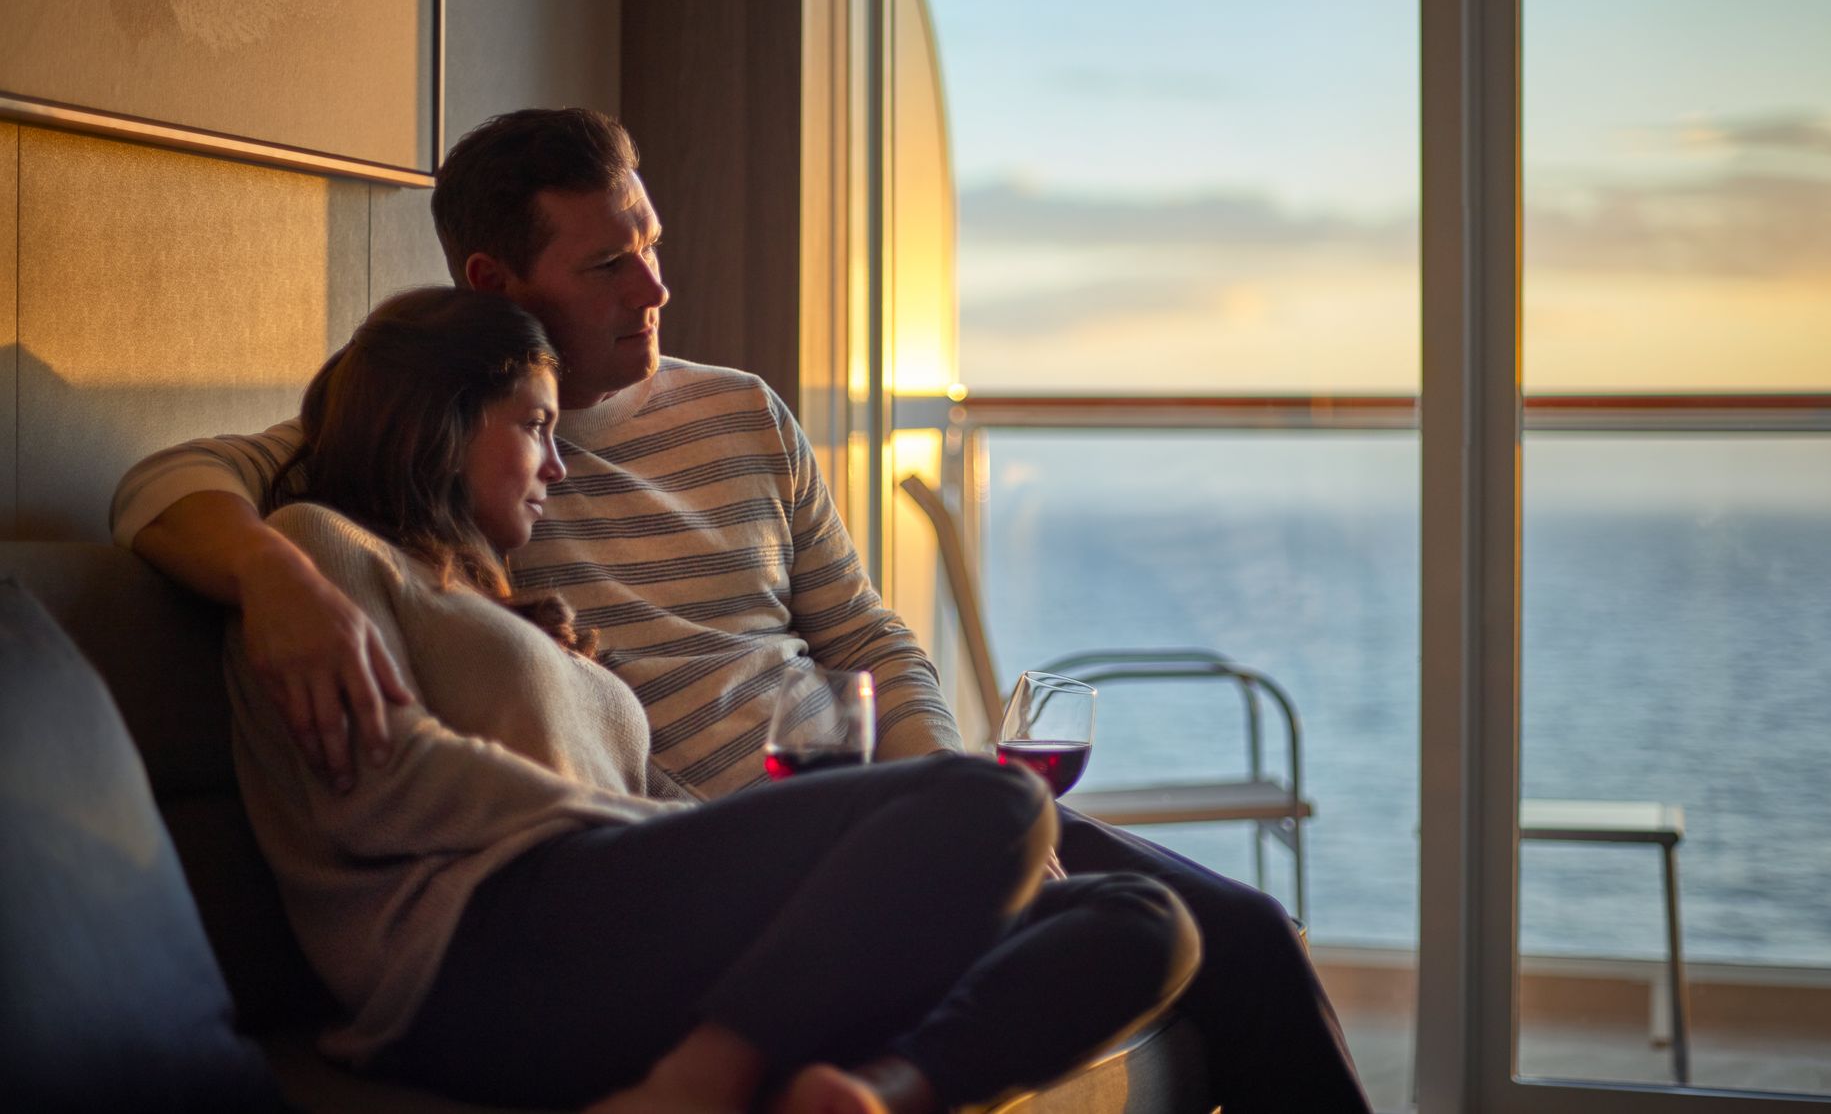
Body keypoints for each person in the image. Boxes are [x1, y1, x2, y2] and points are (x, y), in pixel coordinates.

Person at [112, 107, 1372, 1112]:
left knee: (1234, 933)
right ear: (497, 280)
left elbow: (866, 631)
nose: (653, 287)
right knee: (1003, 835)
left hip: (883, 806)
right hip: (702, 851)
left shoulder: (743, 413)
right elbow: (166, 485)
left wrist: (926, 776)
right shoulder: (432, 445)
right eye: (607, 263)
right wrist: (275, 575)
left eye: (649, 241)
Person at [230, 284, 1199, 1113]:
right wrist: (716, 842)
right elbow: (387, 779)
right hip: (474, 957)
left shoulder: (517, 612)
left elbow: (653, 808)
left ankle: (868, 1093)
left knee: (1142, 916)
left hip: (618, 926)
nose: (558, 468)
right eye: (534, 426)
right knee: (990, 801)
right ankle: (698, 1083)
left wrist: (767, 858)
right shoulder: (320, 551)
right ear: (434, 423)